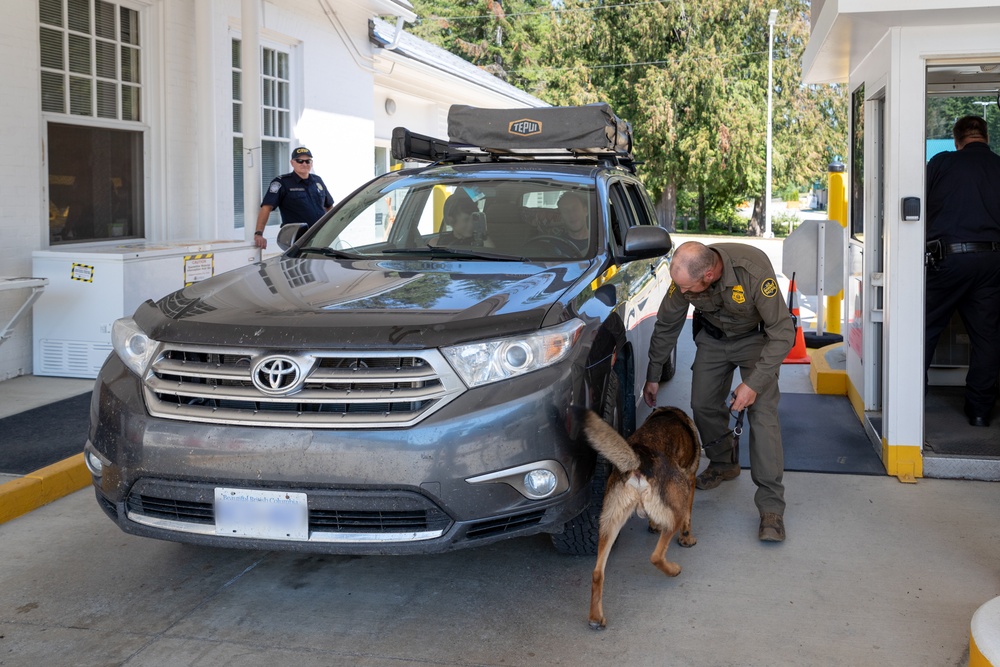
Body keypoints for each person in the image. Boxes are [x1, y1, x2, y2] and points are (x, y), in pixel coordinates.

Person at [643, 241, 794, 542]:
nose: (682, 293)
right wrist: (653, 374)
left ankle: (771, 508)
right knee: (702, 404)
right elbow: (667, 324)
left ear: (709, 275)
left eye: (687, 289)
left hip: (754, 339)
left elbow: (783, 332)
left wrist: (752, 385)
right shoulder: (686, 276)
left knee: (762, 413)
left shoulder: (752, 271)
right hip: (713, 339)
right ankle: (725, 463)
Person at [924, 115, 1000, 427]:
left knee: (924, 329)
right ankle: (980, 412)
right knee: (987, 337)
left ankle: (910, 402)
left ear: (958, 140)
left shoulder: (942, 163)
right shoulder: (998, 166)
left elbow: (918, 207)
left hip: (948, 260)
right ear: (986, 137)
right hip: (993, 262)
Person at [253, 146, 334, 249]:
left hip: (321, 236)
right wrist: (259, 233)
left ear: (311, 163)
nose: (304, 164)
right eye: (299, 161)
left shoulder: (318, 181)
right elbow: (266, 208)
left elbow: (329, 207)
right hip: (297, 239)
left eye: (307, 161)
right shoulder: (282, 182)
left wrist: (332, 229)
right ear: (292, 163)